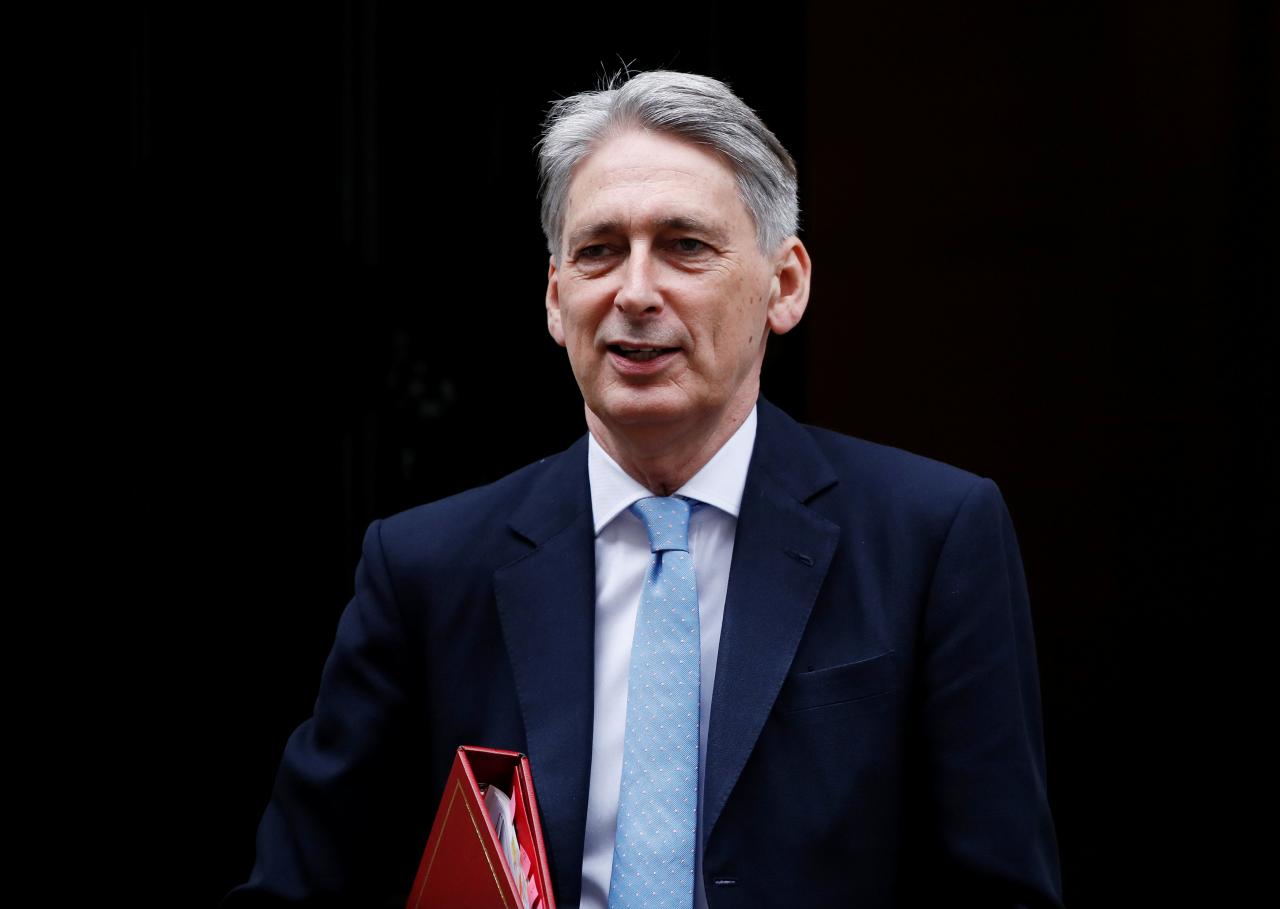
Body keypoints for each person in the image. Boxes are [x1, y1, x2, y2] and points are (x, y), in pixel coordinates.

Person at [225, 70, 1063, 908]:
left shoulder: (931, 537)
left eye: (685, 246)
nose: (633, 291)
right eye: (597, 252)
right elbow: (300, 884)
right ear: (557, 301)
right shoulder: (427, 568)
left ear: (785, 284)